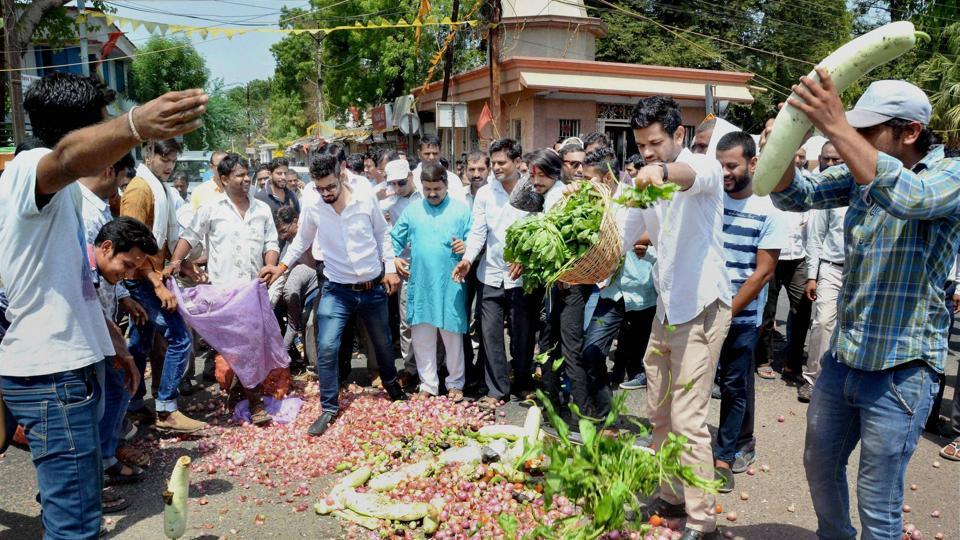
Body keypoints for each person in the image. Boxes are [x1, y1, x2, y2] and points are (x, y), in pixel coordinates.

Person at [0, 71, 205, 540]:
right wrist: (134, 124)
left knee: (79, 513)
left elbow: (77, 282)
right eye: (102, 123)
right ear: (81, 129)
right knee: (75, 527)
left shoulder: (72, 195)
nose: (109, 136)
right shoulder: (32, 167)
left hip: (69, 368)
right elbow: (69, 155)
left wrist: (114, 343)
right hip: (52, 375)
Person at [768, 74, 956, 539]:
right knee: (818, 464)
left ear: (909, 131)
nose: (855, 141)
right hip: (845, 357)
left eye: (867, 132)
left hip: (901, 368)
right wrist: (782, 151)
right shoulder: (861, 169)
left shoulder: (949, 176)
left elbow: (910, 199)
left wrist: (836, 128)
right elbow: (797, 194)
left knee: (878, 497)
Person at [621, 96, 731, 540]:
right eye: (642, 146)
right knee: (659, 413)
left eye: (655, 143)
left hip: (701, 308)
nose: (647, 152)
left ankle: (703, 521)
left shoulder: (701, 168)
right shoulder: (640, 181)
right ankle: (670, 496)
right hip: (666, 311)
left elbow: (688, 176)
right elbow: (620, 232)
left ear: (678, 136)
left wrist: (661, 172)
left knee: (688, 419)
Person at [259, 153, 408, 437]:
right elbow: (301, 239)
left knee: (384, 344)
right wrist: (280, 267)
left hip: (372, 286)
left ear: (340, 176)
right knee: (326, 346)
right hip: (337, 288)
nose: (325, 193)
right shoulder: (314, 204)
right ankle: (328, 407)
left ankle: (393, 387)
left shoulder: (364, 194)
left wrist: (390, 269)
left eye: (330, 187)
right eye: (320, 188)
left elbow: (382, 234)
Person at [170, 153, 280, 425]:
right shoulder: (212, 208)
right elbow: (190, 235)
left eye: (247, 174)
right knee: (233, 349)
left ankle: (249, 399)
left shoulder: (262, 209)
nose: (246, 180)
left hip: (252, 291)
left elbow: (272, 243)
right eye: (239, 175)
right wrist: (175, 261)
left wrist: (270, 265)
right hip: (223, 293)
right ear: (223, 179)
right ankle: (247, 397)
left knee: (251, 347)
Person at [713, 131, 787, 492]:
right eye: (720, 165)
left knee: (733, 386)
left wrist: (726, 312)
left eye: (732, 166)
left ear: (753, 163)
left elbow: (763, 273)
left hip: (739, 318)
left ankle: (725, 457)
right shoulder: (710, 199)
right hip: (702, 312)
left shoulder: (769, 210)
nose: (724, 173)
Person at [79, 153, 153, 499]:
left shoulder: (102, 262)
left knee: (114, 390)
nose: (125, 275)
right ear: (106, 247)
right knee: (90, 411)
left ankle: (101, 465)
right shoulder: (82, 262)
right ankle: (87, 484)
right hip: (79, 345)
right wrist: (122, 352)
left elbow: (101, 308)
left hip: (101, 330)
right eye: (125, 265)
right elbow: (93, 311)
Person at [120, 138, 204, 433]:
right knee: (179, 338)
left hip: (149, 275)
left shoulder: (160, 188)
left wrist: (183, 263)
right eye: (164, 159)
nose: (168, 166)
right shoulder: (141, 189)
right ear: (148, 155)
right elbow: (128, 244)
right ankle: (166, 408)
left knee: (141, 343)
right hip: (140, 279)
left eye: (172, 161)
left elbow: (157, 242)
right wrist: (156, 283)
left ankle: (131, 405)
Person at [453, 138, 540, 410]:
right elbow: (479, 231)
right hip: (489, 274)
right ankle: (496, 389)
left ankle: (524, 382)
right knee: (489, 334)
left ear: (518, 162)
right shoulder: (486, 193)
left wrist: (527, 259)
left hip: (522, 277)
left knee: (522, 334)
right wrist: (467, 259)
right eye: (495, 163)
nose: (497, 168)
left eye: (503, 163)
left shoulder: (534, 190)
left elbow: (540, 230)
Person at [392, 162, 472, 400]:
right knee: (422, 336)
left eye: (437, 188)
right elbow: (394, 238)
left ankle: (455, 384)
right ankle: (428, 385)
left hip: (451, 283)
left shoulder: (461, 210)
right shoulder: (413, 210)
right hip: (422, 284)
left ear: (446, 185)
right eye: (427, 189)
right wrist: (394, 259)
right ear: (421, 186)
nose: (432, 194)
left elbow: (474, 239)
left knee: (452, 334)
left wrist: (466, 247)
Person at [798, 141, 846, 403]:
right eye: (826, 159)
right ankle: (812, 378)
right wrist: (812, 276)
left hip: (859, 273)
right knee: (824, 321)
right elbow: (815, 238)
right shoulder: (827, 196)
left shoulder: (857, 188)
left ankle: (841, 382)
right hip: (830, 268)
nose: (830, 164)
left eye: (836, 160)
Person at [755, 198, 811, 382]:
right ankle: (763, 359)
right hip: (771, 255)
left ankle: (792, 363)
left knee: (802, 308)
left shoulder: (803, 188)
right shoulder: (766, 191)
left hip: (799, 257)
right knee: (767, 310)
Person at [381, 159, 423, 387]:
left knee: (429, 319)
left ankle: (436, 366)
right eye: (393, 184)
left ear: (410, 176)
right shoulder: (388, 203)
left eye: (401, 182)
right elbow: (383, 233)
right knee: (406, 320)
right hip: (404, 265)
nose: (397, 188)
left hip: (427, 265)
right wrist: (393, 258)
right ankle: (410, 368)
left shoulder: (426, 196)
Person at [271, 206, 319, 365]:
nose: (282, 236)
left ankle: (313, 363)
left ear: (295, 222)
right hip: (298, 289)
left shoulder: (313, 234)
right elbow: (281, 274)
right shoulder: (288, 246)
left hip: (321, 281)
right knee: (277, 313)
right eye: (279, 233)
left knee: (309, 320)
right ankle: (289, 355)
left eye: (284, 230)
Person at [412, 134, 467, 201]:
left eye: (435, 153)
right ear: (419, 154)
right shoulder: (412, 179)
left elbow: (461, 206)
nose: (431, 157)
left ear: (440, 153)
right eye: (427, 154)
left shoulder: (453, 179)